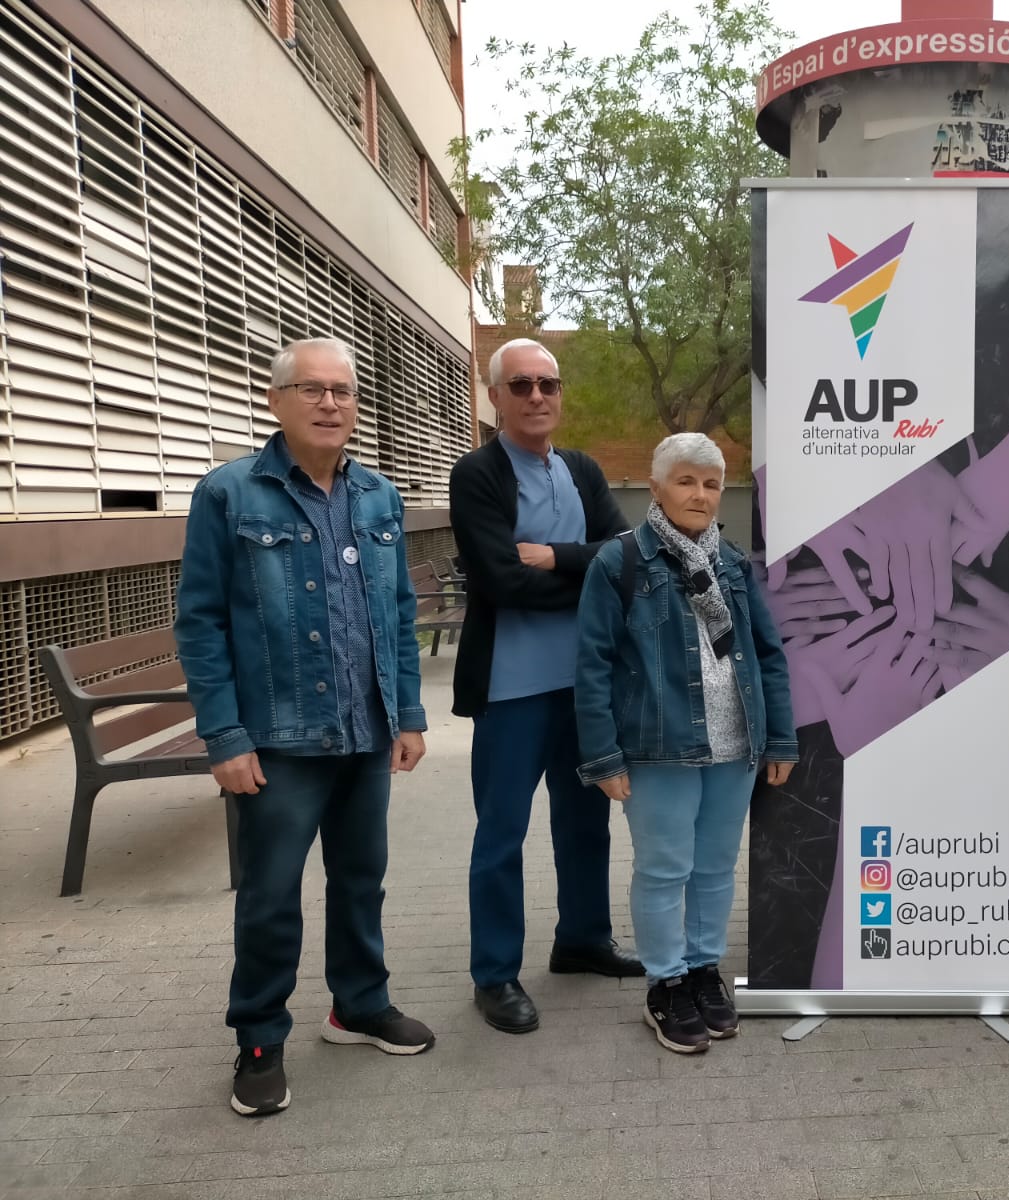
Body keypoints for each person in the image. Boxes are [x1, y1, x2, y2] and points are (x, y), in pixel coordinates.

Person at [175, 338, 434, 1118]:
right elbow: (200, 623)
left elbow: (396, 614)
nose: (331, 404)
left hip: (366, 731)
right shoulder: (229, 494)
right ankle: (258, 1038)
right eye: (313, 390)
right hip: (278, 740)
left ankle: (358, 1004)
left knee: (362, 882)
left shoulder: (379, 496)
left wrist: (410, 714)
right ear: (275, 400)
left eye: (344, 392)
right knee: (270, 896)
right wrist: (224, 735)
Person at [574, 433, 798, 1053]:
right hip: (657, 747)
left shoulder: (732, 562)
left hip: (735, 745)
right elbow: (592, 665)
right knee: (664, 868)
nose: (699, 494)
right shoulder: (619, 563)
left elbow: (768, 657)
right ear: (656, 487)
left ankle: (703, 969)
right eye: (686, 481)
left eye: (710, 484)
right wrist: (603, 755)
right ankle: (665, 982)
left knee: (714, 867)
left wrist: (780, 738)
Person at [449, 338, 641, 1038]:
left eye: (548, 384)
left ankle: (583, 939)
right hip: (510, 690)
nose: (536, 396)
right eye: (521, 385)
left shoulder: (583, 469)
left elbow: (626, 556)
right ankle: (495, 974)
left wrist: (556, 558)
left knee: (587, 820)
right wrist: (584, 581)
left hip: (586, 686)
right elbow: (500, 581)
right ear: (495, 396)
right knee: (502, 832)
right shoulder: (476, 474)